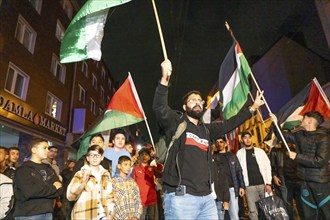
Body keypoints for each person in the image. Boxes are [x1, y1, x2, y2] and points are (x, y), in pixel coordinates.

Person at [152, 59, 265, 219]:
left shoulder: (206, 130)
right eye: (193, 100)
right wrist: (164, 80)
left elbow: (229, 124)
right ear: (184, 107)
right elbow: (160, 108)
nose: (198, 103)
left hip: (206, 199)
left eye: (200, 100)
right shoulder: (176, 124)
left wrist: (252, 109)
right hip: (181, 198)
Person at [271, 111, 330, 219]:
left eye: (304, 118)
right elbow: (283, 137)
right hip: (303, 182)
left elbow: (320, 161)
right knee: (308, 214)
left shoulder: (323, 137)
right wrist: (275, 123)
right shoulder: (300, 135)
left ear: (310, 121)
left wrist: (297, 156)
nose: (301, 120)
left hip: (319, 183)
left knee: (326, 212)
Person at [13, 137, 63, 220]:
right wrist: (53, 187)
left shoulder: (49, 168)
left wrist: (42, 189)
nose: (47, 150)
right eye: (44, 148)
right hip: (28, 214)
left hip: (48, 212)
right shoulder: (24, 169)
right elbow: (31, 191)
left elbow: (60, 189)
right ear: (34, 150)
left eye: (47, 148)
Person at [67, 145, 114, 219]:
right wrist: (83, 182)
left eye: (97, 155)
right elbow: (70, 196)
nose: (95, 158)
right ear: (87, 158)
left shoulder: (106, 174)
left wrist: (111, 213)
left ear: (102, 158)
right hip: (85, 215)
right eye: (91, 155)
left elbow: (110, 195)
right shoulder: (80, 173)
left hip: (102, 215)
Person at [236, 131, 272, 220]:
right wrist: (241, 186)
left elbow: (267, 167)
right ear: (242, 140)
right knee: (253, 211)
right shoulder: (239, 153)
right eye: (245, 138)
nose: (248, 140)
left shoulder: (260, 151)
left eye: (249, 137)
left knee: (267, 209)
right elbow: (238, 171)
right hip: (249, 187)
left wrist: (268, 183)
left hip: (263, 185)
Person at [216, 136, 245, 220]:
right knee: (220, 216)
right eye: (217, 142)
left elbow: (239, 171)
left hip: (232, 189)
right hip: (220, 191)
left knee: (234, 215)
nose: (219, 144)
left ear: (225, 143)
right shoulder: (213, 157)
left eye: (221, 142)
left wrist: (241, 186)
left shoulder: (232, 156)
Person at [132, 148, 163, 220]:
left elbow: (160, 174)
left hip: (152, 199)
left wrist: (156, 159)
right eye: (142, 155)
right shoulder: (135, 169)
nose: (144, 156)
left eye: (146, 155)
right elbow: (132, 183)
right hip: (140, 200)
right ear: (138, 157)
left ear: (149, 157)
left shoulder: (152, 168)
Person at [112, 155, 143, 219]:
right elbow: (114, 203)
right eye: (125, 164)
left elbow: (137, 200)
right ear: (119, 166)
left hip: (133, 217)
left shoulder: (132, 182)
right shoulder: (114, 182)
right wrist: (124, 218)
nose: (128, 167)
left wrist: (136, 216)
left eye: (129, 165)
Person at [211, 140, 230, 220]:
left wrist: (225, 200)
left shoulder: (218, 163)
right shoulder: (200, 164)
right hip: (206, 200)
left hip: (218, 199)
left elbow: (224, 182)